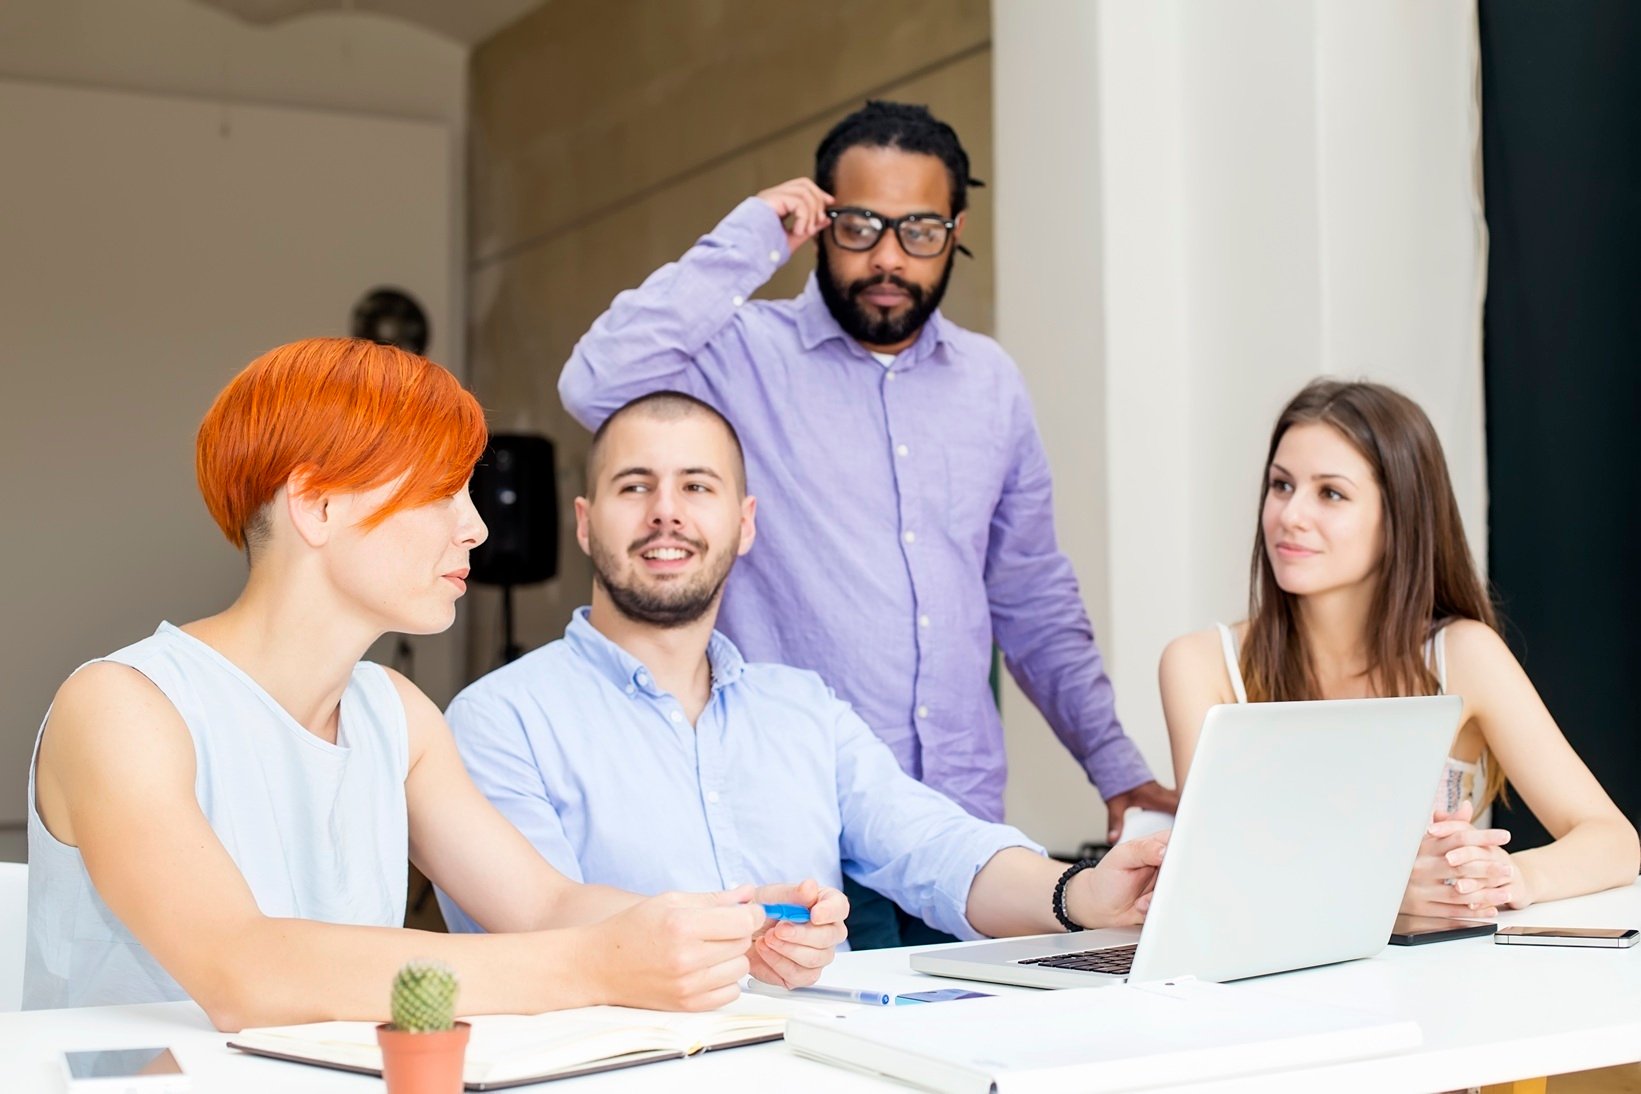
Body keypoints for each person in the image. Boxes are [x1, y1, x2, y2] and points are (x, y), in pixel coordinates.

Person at [23, 338, 839, 1029]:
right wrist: (596, 967)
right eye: (440, 491)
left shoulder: (396, 714)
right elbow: (243, 969)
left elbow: (545, 907)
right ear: (317, 506)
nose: (476, 526)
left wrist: (729, 923)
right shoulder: (123, 707)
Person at [558, 100, 1174, 945]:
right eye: (860, 227)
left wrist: (1118, 772)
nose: (888, 257)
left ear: (955, 231)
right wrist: (749, 237)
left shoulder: (990, 383)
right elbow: (593, 382)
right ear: (820, 225)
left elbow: (1032, 598)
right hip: (795, 840)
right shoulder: (738, 354)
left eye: (919, 230)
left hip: (956, 837)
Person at [437, 392, 1170, 951]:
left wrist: (1083, 894)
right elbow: (542, 928)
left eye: (697, 486)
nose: (666, 513)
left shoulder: (804, 709)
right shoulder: (498, 718)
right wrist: (745, 934)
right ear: (585, 521)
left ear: (745, 521)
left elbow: (934, 848)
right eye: (634, 486)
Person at [1158, 379, 1638, 919]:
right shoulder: (1201, 665)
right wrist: (1377, 893)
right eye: (1281, 485)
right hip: (1268, 986)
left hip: (1445, 978)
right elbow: (1217, 873)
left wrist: (1512, 876)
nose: (1290, 515)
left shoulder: (1464, 655)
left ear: (1400, 516)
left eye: (1330, 493)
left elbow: (1614, 840)